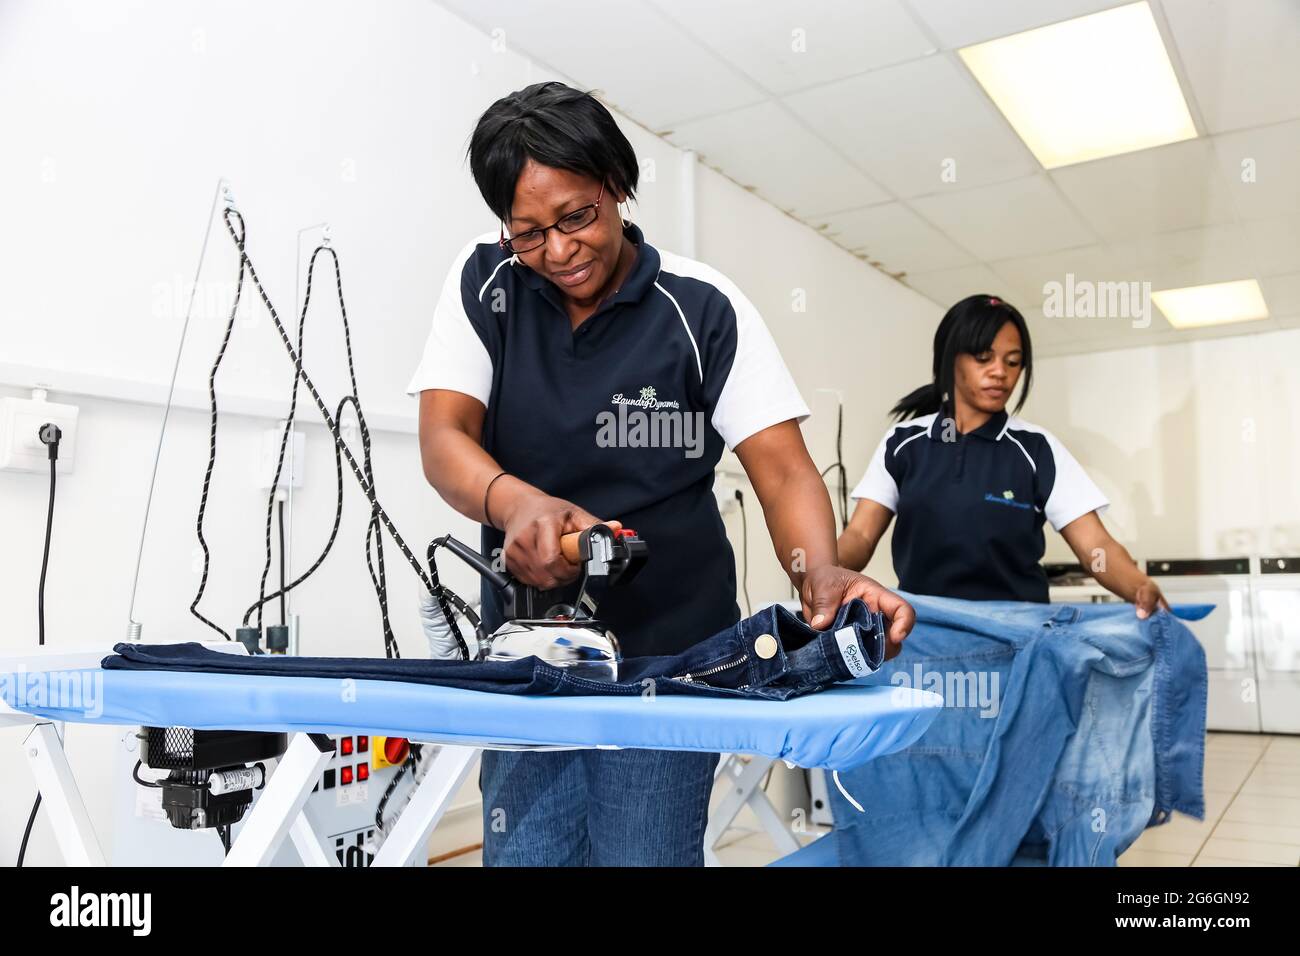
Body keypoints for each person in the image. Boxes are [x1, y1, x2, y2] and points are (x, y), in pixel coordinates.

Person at [408, 81, 913, 866]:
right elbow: (445, 438)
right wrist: (516, 504)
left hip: (674, 656)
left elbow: (781, 472)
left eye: (578, 217)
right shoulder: (486, 286)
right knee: (526, 854)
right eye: (529, 232)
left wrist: (821, 573)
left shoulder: (703, 307)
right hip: (535, 652)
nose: (560, 250)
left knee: (642, 852)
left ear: (616, 186)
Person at [838, 294, 1167, 616]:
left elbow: (1096, 545)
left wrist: (1138, 585)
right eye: (984, 358)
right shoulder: (904, 443)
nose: (1000, 372)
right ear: (950, 359)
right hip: (927, 629)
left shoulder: (1037, 449)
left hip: (1018, 632)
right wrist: (820, 572)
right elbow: (861, 535)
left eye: (1012, 362)